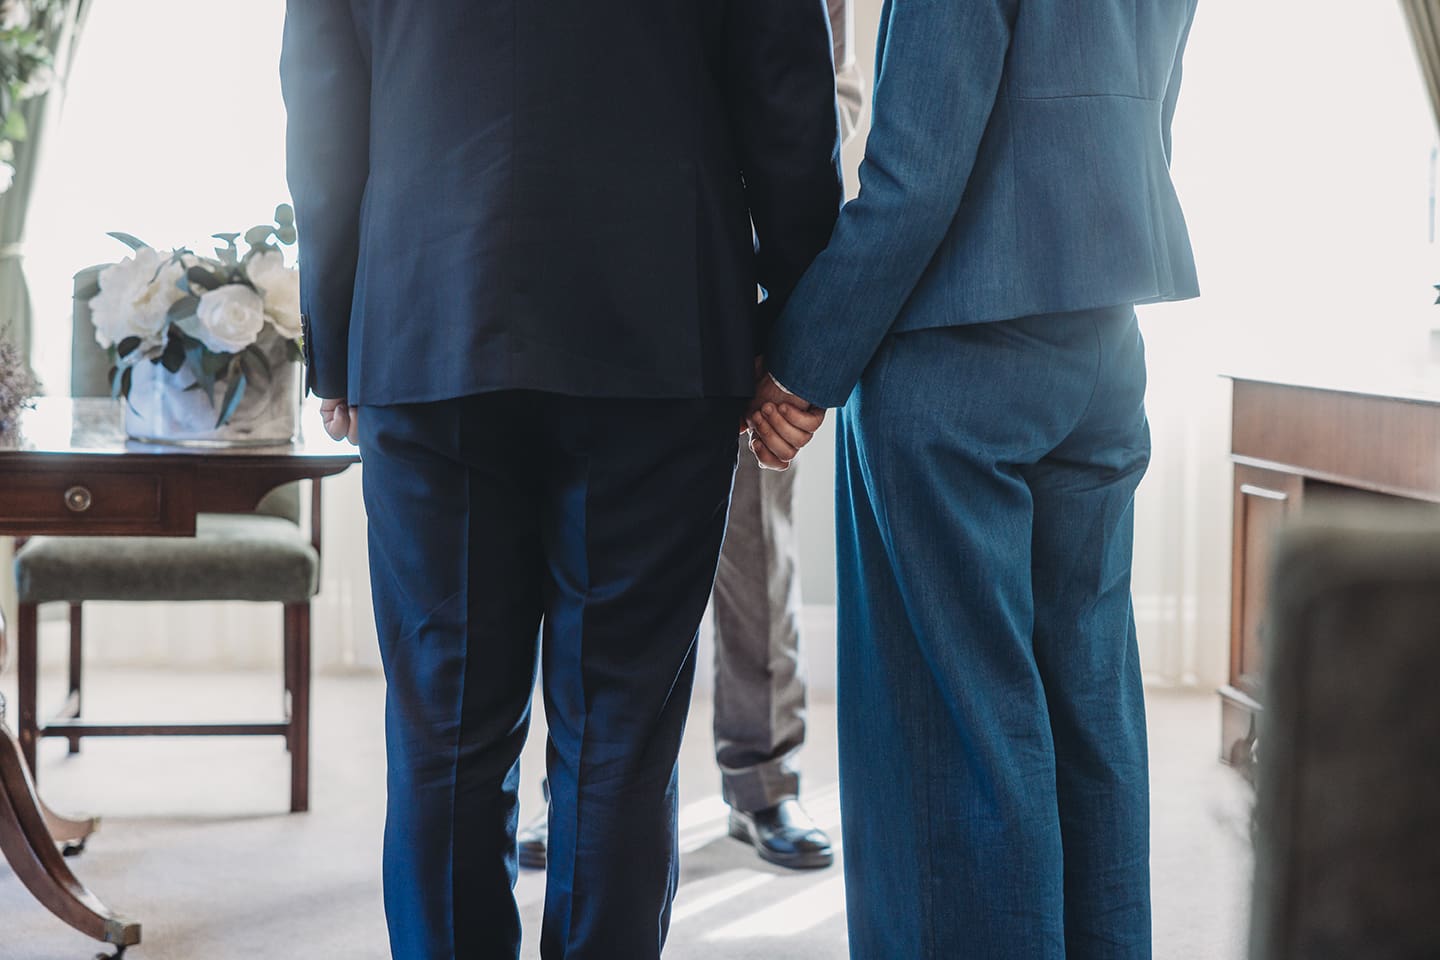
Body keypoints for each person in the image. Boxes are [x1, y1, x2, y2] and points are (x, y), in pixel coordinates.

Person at [280, 0, 843, 957]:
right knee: (619, 731)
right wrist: (796, 335)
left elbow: (323, 101)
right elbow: (788, 97)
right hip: (656, 332)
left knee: (444, 733)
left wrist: (338, 341)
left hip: (427, 319)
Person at [747, 1, 1201, 957]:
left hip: (958, 354)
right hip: (1105, 336)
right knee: (1091, 717)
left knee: (959, 743)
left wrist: (800, 367)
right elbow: (1149, 109)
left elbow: (915, 174)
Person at [515, 0, 866, 875]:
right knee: (579, 569)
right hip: (594, 287)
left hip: (735, 293)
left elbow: (831, 97)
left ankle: (766, 783)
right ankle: (576, 799)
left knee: (755, 554)